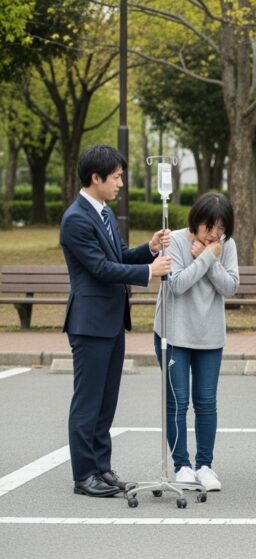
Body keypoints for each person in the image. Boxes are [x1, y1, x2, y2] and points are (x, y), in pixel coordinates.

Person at [60, 144, 171, 497]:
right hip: (89, 322)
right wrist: (149, 271)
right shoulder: (76, 218)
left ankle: (102, 468)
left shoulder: (103, 212)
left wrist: (149, 248)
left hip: (109, 321)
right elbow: (101, 268)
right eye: (117, 177)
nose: (121, 183)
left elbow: (119, 255)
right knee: (88, 401)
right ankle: (84, 476)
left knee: (106, 401)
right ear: (96, 178)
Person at [153, 192, 239, 492]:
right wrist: (205, 257)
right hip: (174, 333)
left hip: (210, 335)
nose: (215, 234)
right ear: (196, 221)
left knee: (206, 402)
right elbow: (176, 284)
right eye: (209, 227)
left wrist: (210, 258)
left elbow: (230, 288)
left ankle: (205, 465)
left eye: (221, 228)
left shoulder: (225, 246)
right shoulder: (173, 241)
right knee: (177, 402)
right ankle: (182, 466)